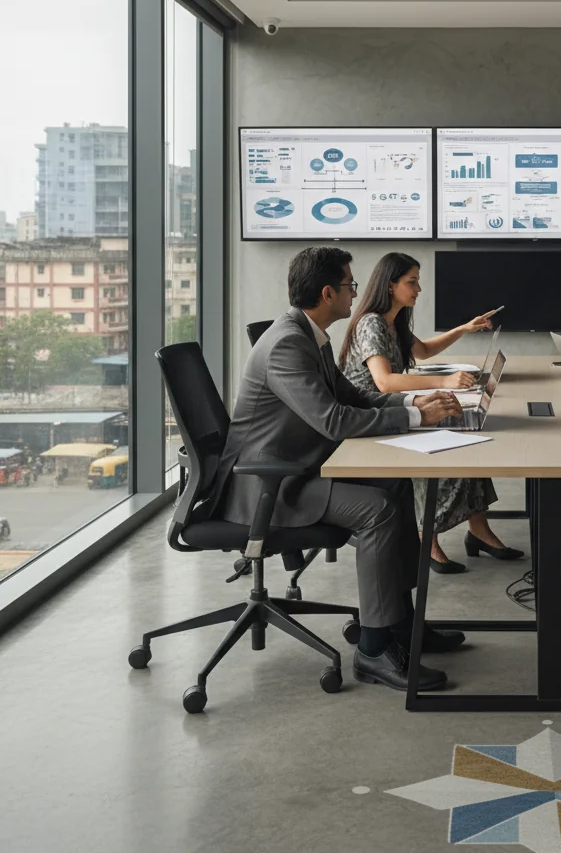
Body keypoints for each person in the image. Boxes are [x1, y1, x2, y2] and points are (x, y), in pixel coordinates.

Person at [212, 246, 467, 695]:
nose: (356, 291)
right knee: (378, 511)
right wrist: (414, 419)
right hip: (272, 483)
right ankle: (372, 648)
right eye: (350, 284)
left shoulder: (309, 334)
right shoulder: (288, 344)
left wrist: (414, 404)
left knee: (396, 482)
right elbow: (332, 420)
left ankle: (404, 626)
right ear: (328, 292)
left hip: (302, 467)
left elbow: (354, 399)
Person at [339, 252, 523, 572]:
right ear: (390, 285)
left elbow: (423, 351)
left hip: (391, 409)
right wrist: (445, 380)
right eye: (412, 282)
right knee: (451, 443)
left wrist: (465, 328)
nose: (418, 289)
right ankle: (427, 534)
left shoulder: (392, 321)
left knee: (468, 436)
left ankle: (478, 530)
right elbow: (384, 382)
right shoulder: (372, 323)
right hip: (371, 418)